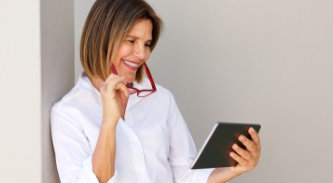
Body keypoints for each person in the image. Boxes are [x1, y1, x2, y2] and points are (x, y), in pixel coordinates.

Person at [51, 0, 261, 183]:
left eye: (147, 44)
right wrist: (109, 123)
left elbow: (185, 176)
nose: (142, 54)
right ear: (102, 39)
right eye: (131, 41)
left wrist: (234, 169)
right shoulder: (69, 113)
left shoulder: (161, 99)